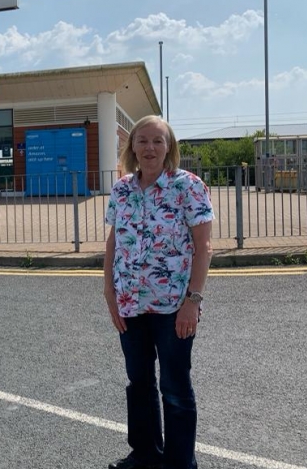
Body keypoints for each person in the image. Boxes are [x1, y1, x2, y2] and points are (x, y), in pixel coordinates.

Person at [103, 115, 213, 469]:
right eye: (143, 141)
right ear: (132, 146)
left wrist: (192, 302)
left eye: (158, 141)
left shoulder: (188, 186)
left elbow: (204, 247)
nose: (150, 148)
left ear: (170, 148)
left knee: (175, 386)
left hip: (173, 307)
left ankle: (180, 463)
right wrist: (109, 293)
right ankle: (146, 452)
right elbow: (113, 243)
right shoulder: (121, 189)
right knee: (139, 381)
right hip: (130, 303)